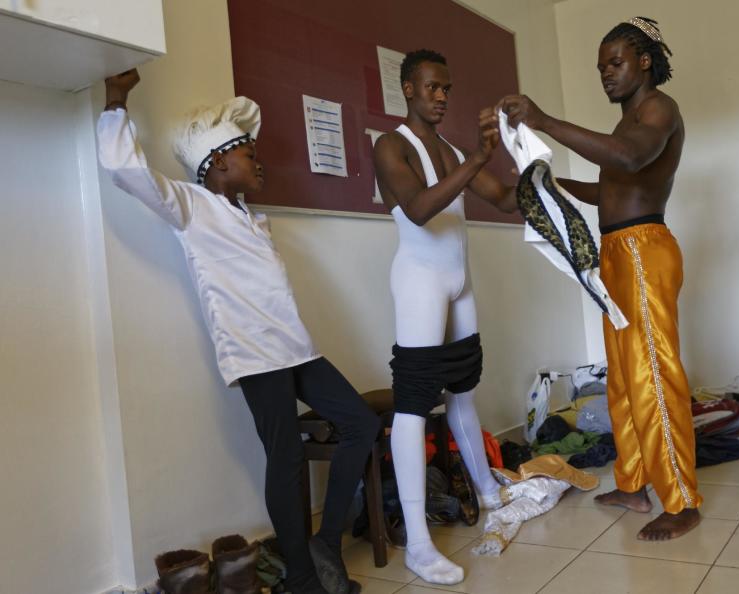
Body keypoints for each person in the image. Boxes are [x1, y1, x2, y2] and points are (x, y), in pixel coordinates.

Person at [97, 69, 378, 594]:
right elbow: (125, 169)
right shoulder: (191, 207)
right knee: (287, 459)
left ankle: (325, 544)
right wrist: (116, 100)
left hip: (297, 348)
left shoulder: (248, 214)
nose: (259, 161)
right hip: (255, 354)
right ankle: (301, 578)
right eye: (249, 153)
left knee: (360, 423)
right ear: (219, 161)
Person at [498, 16, 703, 541]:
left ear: (643, 59)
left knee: (652, 376)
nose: (606, 75)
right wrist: (548, 184)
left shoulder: (658, 109)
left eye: (614, 63)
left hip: (642, 250)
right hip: (615, 251)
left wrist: (543, 120)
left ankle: (681, 501)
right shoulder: (626, 121)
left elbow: (629, 158)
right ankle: (633, 483)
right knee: (623, 376)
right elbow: (610, 188)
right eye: (600, 68)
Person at [372, 49, 517, 584]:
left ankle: (486, 491)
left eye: (446, 89)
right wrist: (477, 159)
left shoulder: (454, 150)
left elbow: (502, 199)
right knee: (413, 407)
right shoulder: (391, 145)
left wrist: (535, 168)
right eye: (432, 87)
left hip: (459, 282)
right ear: (408, 88)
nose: (441, 97)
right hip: (419, 280)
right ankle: (418, 543)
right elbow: (419, 207)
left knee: (463, 391)